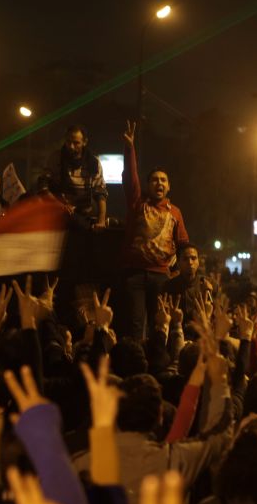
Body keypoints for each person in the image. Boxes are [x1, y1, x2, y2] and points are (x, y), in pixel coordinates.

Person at [120, 121, 189, 341]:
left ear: (168, 187)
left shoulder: (175, 212)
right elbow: (131, 178)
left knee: (158, 324)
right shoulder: (138, 204)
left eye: (163, 180)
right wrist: (129, 149)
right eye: (154, 180)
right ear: (148, 185)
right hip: (135, 274)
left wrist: (182, 271)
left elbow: (183, 244)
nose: (159, 183)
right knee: (135, 324)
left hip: (162, 277)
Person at [43, 124, 108, 228]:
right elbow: (44, 187)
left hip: (85, 215)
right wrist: (61, 205)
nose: (71, 146)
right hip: (58, 217)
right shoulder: (55, 159)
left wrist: (101, 221)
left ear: (84, 142)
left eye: (76, 143)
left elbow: (100, 193)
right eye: (69, 142)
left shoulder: (93, 163)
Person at [164, 243, 211, 329]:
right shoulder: (168, 287)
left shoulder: (209, 285)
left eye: (193, 258)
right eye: (185, 259)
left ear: (198, 262)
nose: (190, 262)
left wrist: (210, 296)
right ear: (178, 263)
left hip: (201, 336)